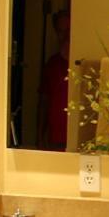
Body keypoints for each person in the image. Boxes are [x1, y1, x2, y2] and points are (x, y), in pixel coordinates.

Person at [38, 9, 71, 150]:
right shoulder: (52, 64)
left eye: (68, 30)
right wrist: (40, 136)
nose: (65, 36)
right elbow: (44, 101)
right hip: (54, 138)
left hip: (77, 139)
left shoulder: (82, 64)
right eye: (61, 31)